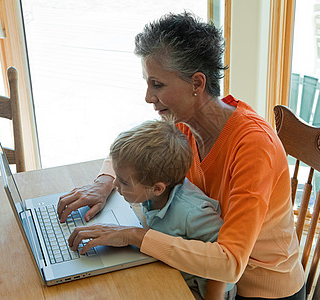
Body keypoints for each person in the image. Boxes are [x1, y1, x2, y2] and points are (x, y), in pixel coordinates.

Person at [58, 12, 305, 300]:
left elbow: (229, 262)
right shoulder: (184, 121)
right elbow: (138, 150)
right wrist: (103, 183)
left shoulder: (253, 146)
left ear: (197, 84)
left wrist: (132, 236)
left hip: (255, 289)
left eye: (157, 85)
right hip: (200, 273)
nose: (148, 97)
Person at [102, 119, 236, 299]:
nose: (115, 184)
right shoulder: (152, 193)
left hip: (205, 291)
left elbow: (223, 261)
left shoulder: (192, 212)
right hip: (174, 269)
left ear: (157, 188)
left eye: (124, 181)